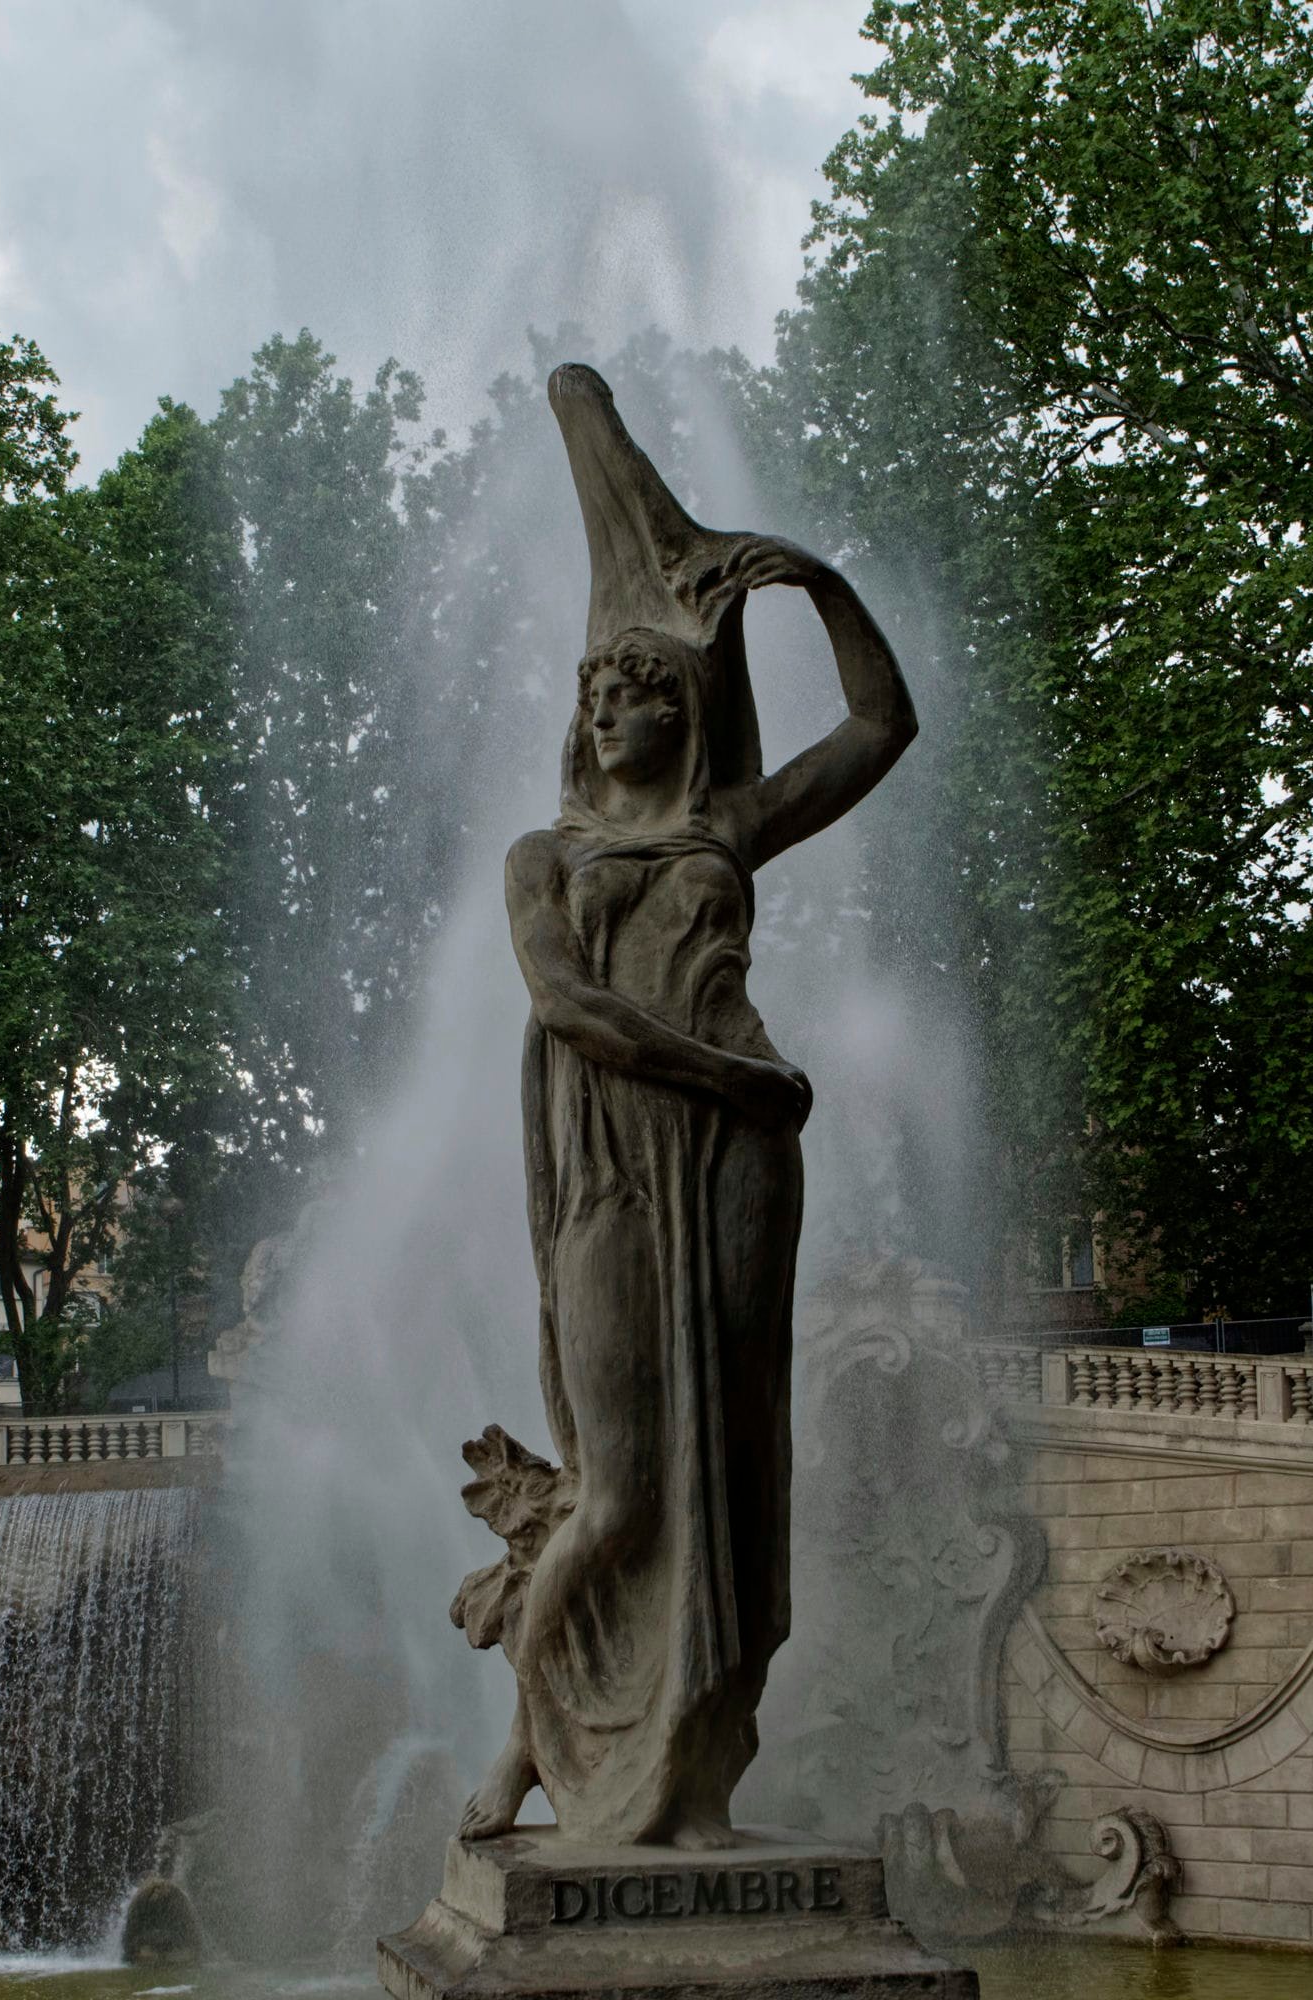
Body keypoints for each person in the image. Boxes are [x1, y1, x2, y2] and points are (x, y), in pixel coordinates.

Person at [459, 367, 917, 1851]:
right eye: (597, 691)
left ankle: (698, 1770)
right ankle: (530, 1749)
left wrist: (815, 580)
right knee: (621, 1486)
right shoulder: (542, 856)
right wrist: (736, 1076)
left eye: (643, 685)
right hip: (627, 1155)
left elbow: (880, 722)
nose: (614, 704)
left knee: (731, 1463)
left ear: (685, 707)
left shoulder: (731, 823)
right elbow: (566, 1009)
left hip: (734, 1166)